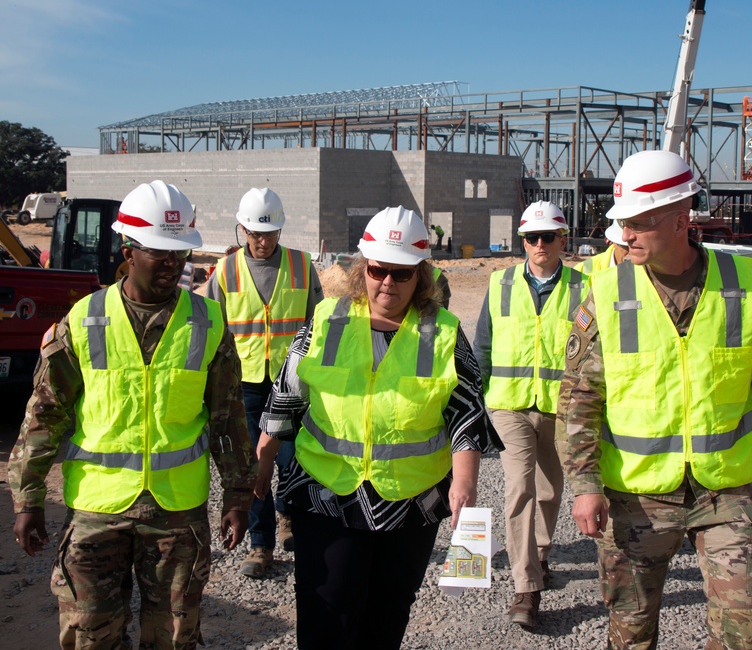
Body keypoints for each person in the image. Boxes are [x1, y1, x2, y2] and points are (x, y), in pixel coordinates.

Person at [557, 150, 752, 650]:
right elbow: (580, 400)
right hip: (636, 496)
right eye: (623, 223)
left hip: (726, 490)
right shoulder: (605, 294)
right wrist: (585, 484)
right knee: (631, 633)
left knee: (747, 629)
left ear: (679, 220)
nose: (625, 234)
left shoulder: (741, 288)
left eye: (637, 223)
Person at [8, 180, 256, 650]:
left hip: (177, 513)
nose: (173, 264)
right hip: (96, 512)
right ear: (128, 250)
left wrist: (239, 496)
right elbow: (45, 414)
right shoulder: (83, 320)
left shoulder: (207, 322)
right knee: (90, 636)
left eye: (180, 253)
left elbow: (228, 420)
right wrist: (28, 498)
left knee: (175, 637)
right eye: (160, 252)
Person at [254, 205, 494, 650]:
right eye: (380, 270)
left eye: (402, 274)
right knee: (326, 610)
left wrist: (465, 483)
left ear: (420, 276)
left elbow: (466, 414)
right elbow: (288, 394)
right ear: (363, 268)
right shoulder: (327, 319)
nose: (389, 283)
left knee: (386, 614)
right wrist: (264, 458)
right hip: (326, 492)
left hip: (411, 502)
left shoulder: (443, 332)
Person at [473, 200, 586, 629]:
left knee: (550, 489)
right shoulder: (500, 283)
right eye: (532, 238)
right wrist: (482, 401)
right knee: (518, 487)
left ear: (562, 240)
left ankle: (540, 552)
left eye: (548, 237)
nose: (540, 245)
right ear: (523, 241)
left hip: (561, 406)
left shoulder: (581, 287)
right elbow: (482, 345)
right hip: (509, 404)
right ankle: (526, 588)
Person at [207, 187, 324, 578]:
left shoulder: (302, 266)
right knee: (253, 464)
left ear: (280, 230)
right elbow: (209, 328)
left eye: (269, 233)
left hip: (292, 383)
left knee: (294, 458)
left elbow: (319, 325)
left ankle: (288, 514)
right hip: (245, 383)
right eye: (254, 233)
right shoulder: (224, 271)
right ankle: (261, 544)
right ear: (242, 230)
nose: (262, 241)